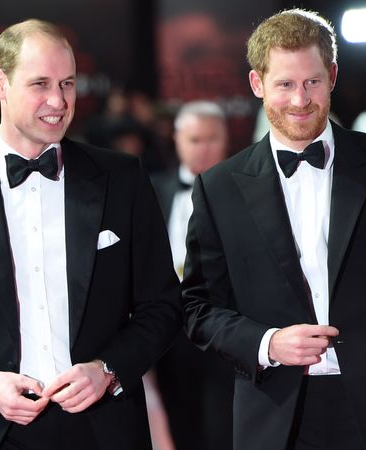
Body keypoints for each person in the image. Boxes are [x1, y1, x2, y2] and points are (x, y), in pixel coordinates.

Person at [0, 19, 182, 450]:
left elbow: (163, 305)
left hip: (102, 428)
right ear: (1, 83)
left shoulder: (122, 178)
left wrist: (107, 370)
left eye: (68, 83)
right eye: (40, 84)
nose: (58, 101)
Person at [182, 9, 366, 450]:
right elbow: (197, 307)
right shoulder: (218, 188)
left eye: (312, 82)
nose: (300, 100)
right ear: (257, 84)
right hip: (274, 416)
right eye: (284, 84)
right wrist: (267, 343)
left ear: (333, 76)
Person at [151, 101, 234, 450]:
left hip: (227, 326)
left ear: (226, 139)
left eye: (212, 138)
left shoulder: (243, 190)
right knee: (180, 420)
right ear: (177, 139)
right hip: (171, 330)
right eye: (195, 139)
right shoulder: (153, 188)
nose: (203, 148)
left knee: (224, 424)